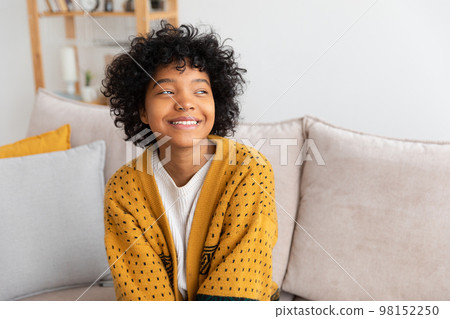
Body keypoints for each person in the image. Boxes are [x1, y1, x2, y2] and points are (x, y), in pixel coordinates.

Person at [101, 21, 279, 301]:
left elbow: (241, 275)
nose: (185, 103)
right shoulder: (123, 189)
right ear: (143, 111)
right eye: (166, 91)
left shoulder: (248, 170)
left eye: (200, 91)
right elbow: (141, 292)